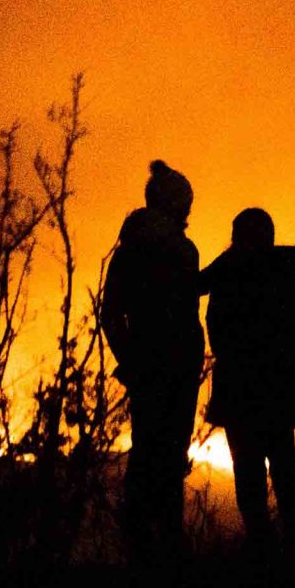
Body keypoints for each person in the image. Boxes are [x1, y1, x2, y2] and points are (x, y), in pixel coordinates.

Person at [101, 160, 205, 559]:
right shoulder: (175, 248)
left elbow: (112, 312)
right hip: (170, 366)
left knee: (149, 453)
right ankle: (160, 548)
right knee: (161, 456)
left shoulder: (134, 247)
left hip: (156, 365)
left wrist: (129, 358)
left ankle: (148, 546)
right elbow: (117, 312)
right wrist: (133, 359)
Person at [200, 207, 295, 549]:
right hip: (278, 387)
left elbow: (214, 324)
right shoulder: (284, 272)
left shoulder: (227, 272)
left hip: (240, 390)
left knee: (251, 473)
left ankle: (264, 548)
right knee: (283, 467)